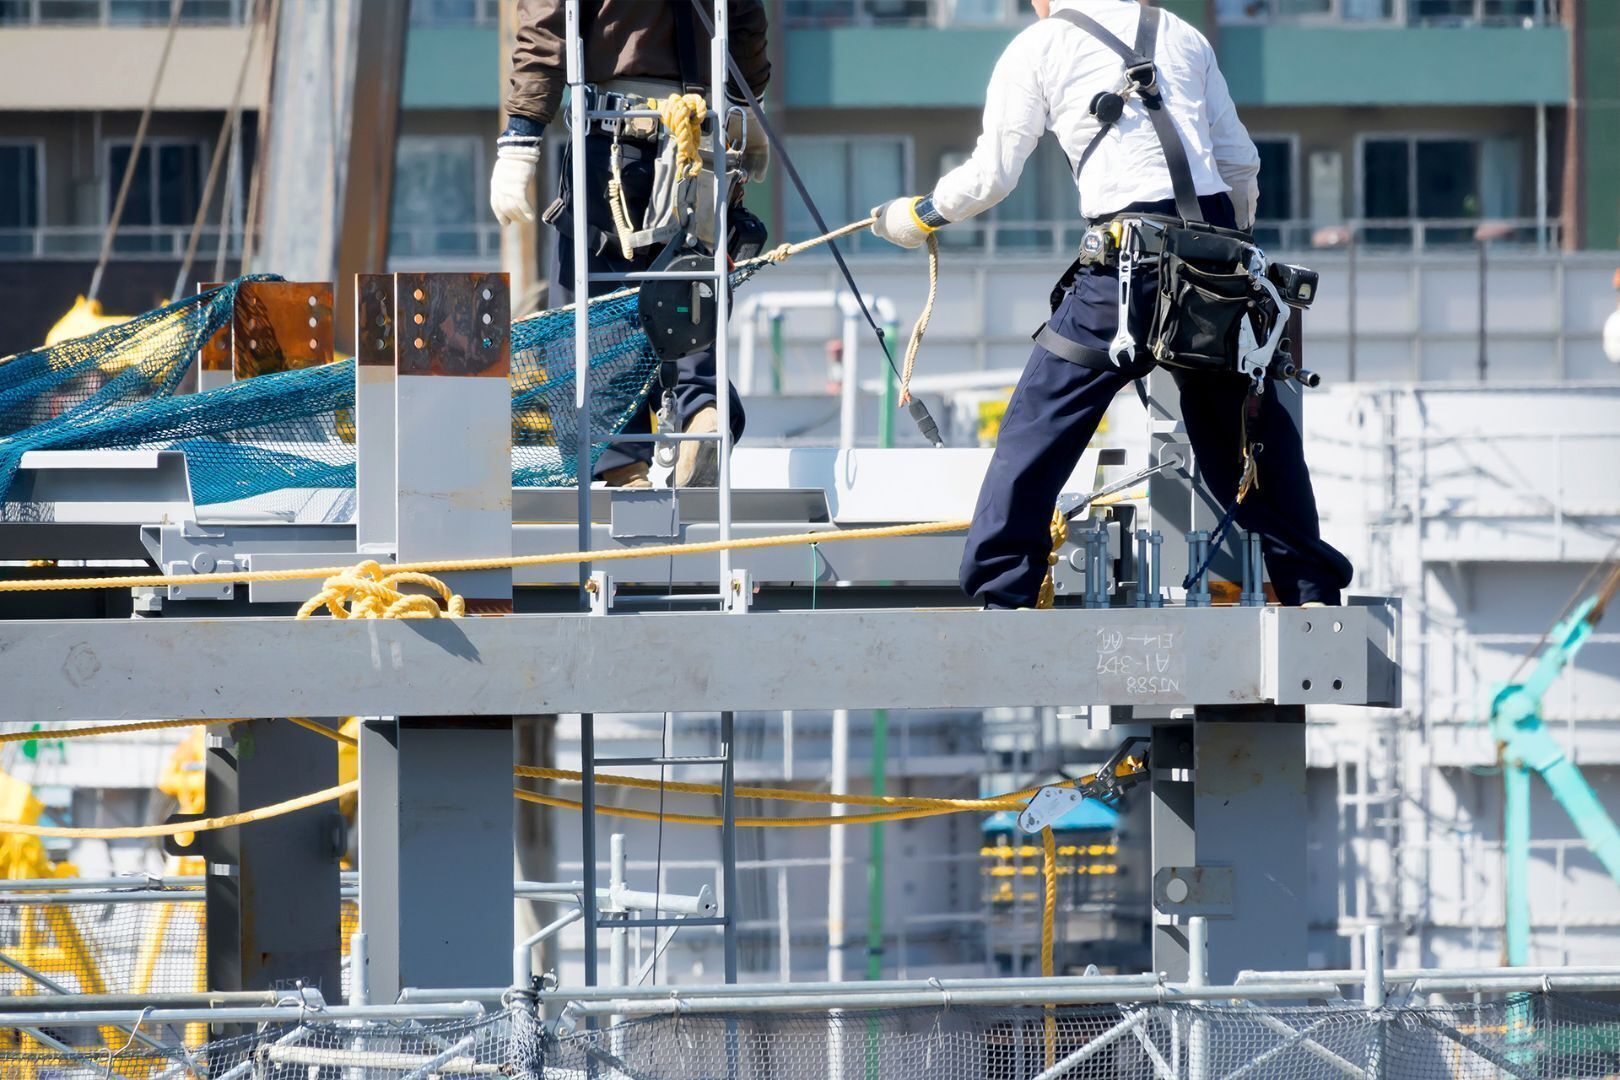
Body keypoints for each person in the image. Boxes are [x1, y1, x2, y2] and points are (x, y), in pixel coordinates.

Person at [870, 0, 1351, 608]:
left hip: (1127, 268)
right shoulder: (1182, 34)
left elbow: (991, 176)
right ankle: (1308, 588)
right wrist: (1232, 254)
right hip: (1218, 258)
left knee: (1038, 425)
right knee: (1246, 434)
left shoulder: (1039, 46)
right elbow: (1239, 163)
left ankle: (1001, 590)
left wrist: (919, 215)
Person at [490, 0, 770, 488]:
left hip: (613, 137)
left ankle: (622, 466)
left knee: (590, 316)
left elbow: (546, 23)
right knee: (690, 288)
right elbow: (743, 18)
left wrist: (521, 134)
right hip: (702, 137)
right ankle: (702, 410)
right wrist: (747, 106)